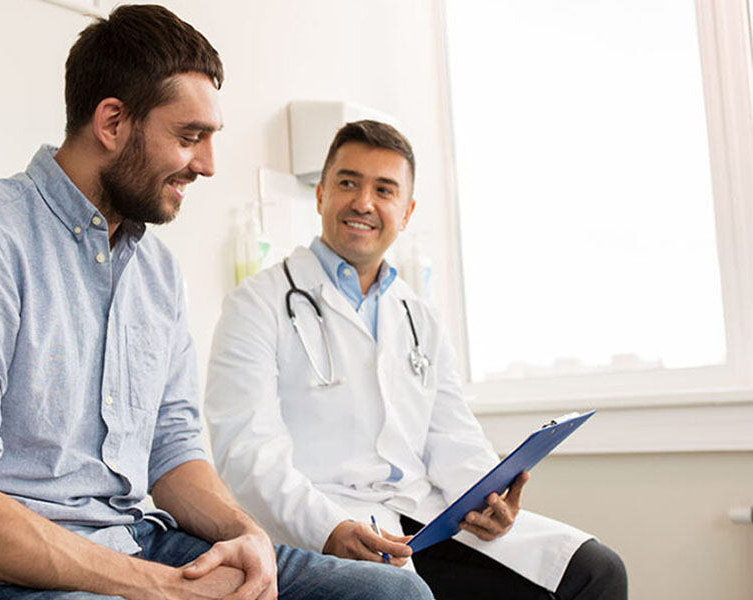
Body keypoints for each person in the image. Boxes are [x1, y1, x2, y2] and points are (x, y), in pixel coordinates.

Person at [0, 7, 434, 600]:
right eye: (190, 137)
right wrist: (162, 589)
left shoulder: (157, 272)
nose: (208, 165)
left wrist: (246, 535)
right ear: (112, 122)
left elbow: (172, 450)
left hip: (138, 540)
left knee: (394, 595)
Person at [205, 120, 628, 599]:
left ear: (405, 212)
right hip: (324, 522)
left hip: (423, 517)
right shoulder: (256, 304)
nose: (363, 202)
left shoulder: (418, 314)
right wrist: (330, 527)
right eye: (348, 183)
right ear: (320, 195)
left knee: (596, 571)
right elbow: (247, 454)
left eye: (383, 190)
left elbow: (452, 434)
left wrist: (486, 498)